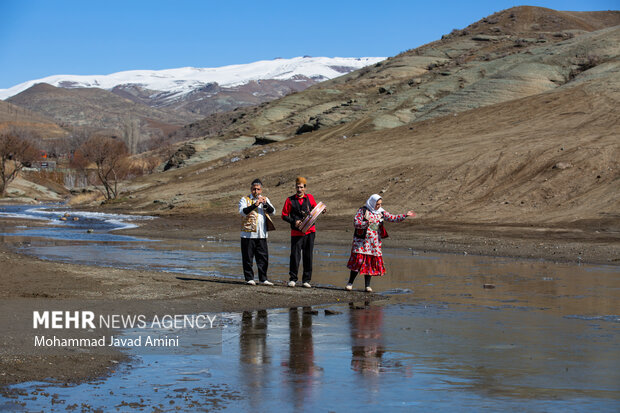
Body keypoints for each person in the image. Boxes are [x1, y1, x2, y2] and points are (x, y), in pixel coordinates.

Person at [346, 194, 416, 292]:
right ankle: (350, 283)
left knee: (369, 263)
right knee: (358, 261)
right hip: (361, 241)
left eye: (380, 204)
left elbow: (393, 218)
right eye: (377, 204)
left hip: (374, 242)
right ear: (372, 202)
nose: (379, 206)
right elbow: (356, 223)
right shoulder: (363, 210)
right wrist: (365, 223)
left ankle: (367, 286)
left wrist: (405, 215)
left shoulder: (381, 212)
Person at [281, 177, 324, 288]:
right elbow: (284, 215)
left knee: (308, 255)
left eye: (301, 187)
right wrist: (294, 221)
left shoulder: (310, 198)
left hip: (310, 231)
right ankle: (293, 279)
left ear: (305, 188)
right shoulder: (289, 200)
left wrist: (322, 210)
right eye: (297, 187)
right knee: (295, 256)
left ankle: (306, 280)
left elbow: (315, 209)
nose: (299, 189)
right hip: (296, 233)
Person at [239, 178, 276, 286]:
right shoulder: (244, 199)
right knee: (248, 257)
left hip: (262, 234)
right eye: (254, 189)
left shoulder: (265, 199)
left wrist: (265, 204)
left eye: (258, 189)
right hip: (248, 235)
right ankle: (249, 278)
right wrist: (255, 205)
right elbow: (242, 212)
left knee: (263, 257)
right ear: (251, 189)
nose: (256, 191)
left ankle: (263, 279)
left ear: (261, 190)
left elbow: (273, 212)